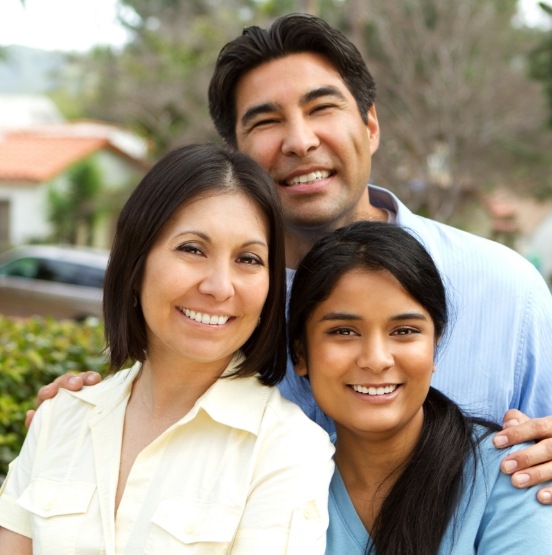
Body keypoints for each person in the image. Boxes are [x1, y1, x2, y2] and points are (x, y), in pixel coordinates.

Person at [31, 13, 552, 502]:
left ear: (370, 125)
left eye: (322, 108)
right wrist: (82, 414)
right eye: (265, 121)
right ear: (236, 152)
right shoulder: (217, 308)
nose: (300, 142)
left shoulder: (505, 289)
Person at [0, 143, 334, 554]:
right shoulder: (61, 417)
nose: (219, 286)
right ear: (136, 263)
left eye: (248, 259)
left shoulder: (288, 450)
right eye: (193, 249)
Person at [288, 220, 552, 554]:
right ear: (300, 351)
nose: (376, 359)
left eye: (404, 331)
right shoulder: (283, 482)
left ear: (435, 346)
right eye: (344, 331)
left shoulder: (511, 473)